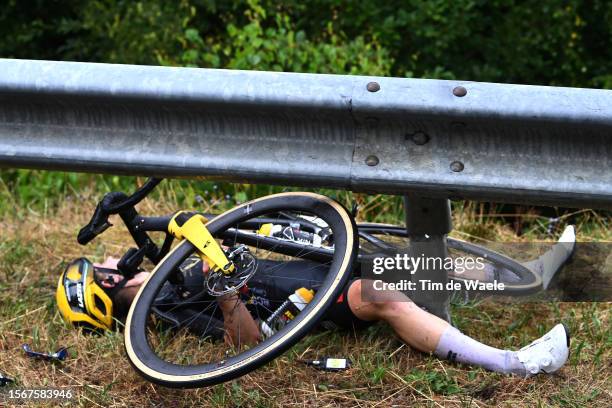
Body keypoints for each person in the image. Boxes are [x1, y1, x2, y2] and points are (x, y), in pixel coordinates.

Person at [57, 225, 576, 378]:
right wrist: (228, 301)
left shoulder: (170, 269)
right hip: (308, 302)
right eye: (104, 271)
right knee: (382, 293)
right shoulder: (173, 307)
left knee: (418, 264)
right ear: (106, 290)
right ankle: (513, 364)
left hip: (313, 261)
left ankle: (530, 275)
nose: (112, 261)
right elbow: (248, 344)